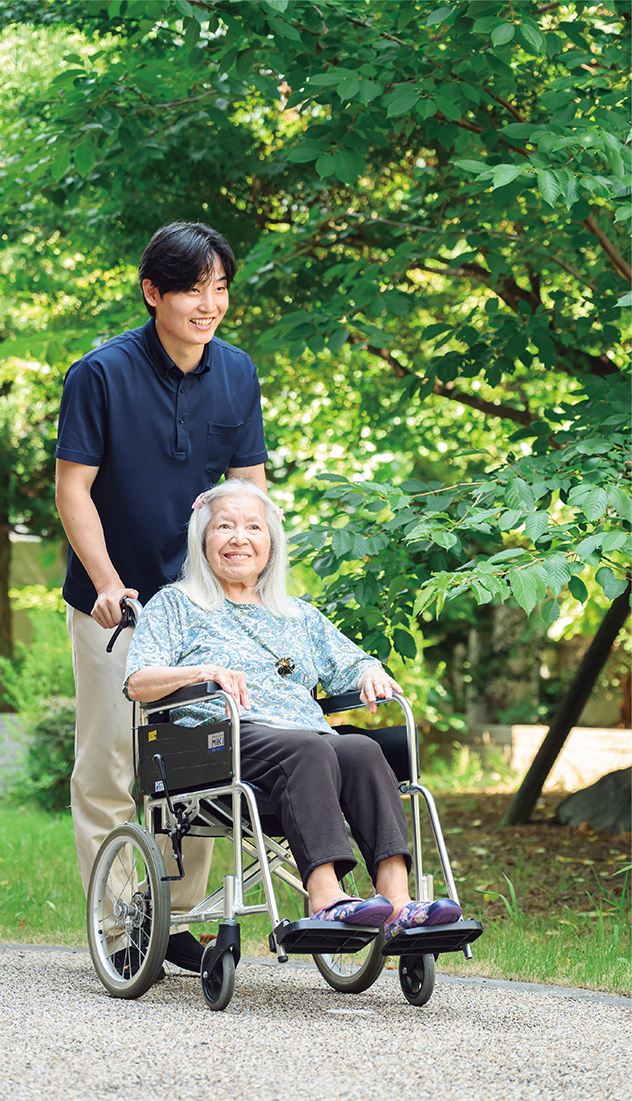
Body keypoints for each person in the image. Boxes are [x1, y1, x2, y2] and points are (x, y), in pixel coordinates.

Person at [55, 223, 268, 973]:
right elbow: (73, 490)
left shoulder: (238, 374)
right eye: (193, 289)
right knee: (114, 763)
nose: (209, 304)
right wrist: (109, 583)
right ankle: (121, 927)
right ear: (154, 293)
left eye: (220, 288)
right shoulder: (101, 374)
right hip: (114, 605)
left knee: (205, 763)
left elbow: (248, 491)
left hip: (200, 607)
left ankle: (173, 920)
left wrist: (246, 586)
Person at [124, 479, 463, 936]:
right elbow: (138, 683)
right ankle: (326, 898)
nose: (239, 538)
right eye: (224, 526)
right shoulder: (177, 605)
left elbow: (351, 661)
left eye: (252, 528)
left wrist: (369, 673)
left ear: (270, 542)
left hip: (302, 738)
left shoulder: (296, 614)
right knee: (311, 749)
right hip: (222, 737)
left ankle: (398, 903)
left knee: (362, 749)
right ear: (204, 540)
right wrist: (202, 673)